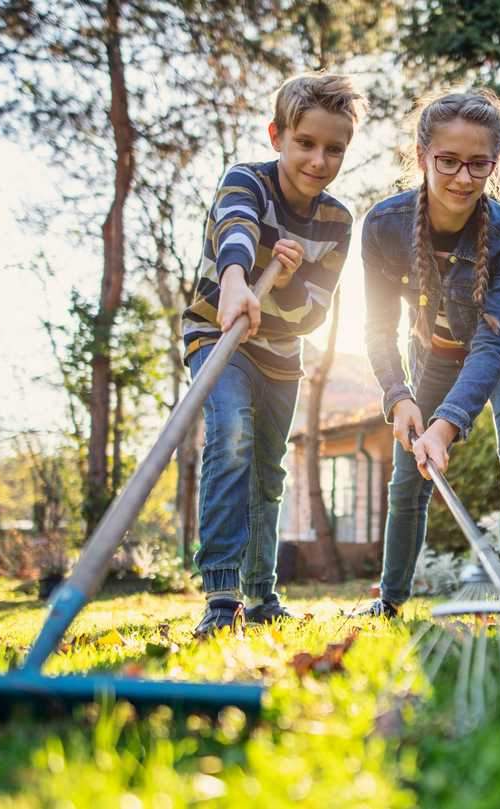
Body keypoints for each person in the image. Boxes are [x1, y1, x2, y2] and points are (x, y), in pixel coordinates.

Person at [181, 72, 367, 637]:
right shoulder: (247, 183)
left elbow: (313, 312)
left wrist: (281, 281)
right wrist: (240, 279)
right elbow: (233, 228)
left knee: (267, 471)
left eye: (334, 148)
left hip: (282, 355)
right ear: (277, 136)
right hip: (219, 337)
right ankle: (220, 593)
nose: (318, 160)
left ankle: (261, 595)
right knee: (231, 435)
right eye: (305, 143)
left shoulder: (337, 221)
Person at [359, 89, 500, 616]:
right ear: (422, 157)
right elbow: (377, 324)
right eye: (448, 161)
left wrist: (447, 424)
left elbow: (491, 347)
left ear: (495, 164)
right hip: (434, 356)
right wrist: (399, 397)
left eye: (478, 164)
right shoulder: (383, 225)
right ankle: (390, 601)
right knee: (407, 475)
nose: (463, 178)